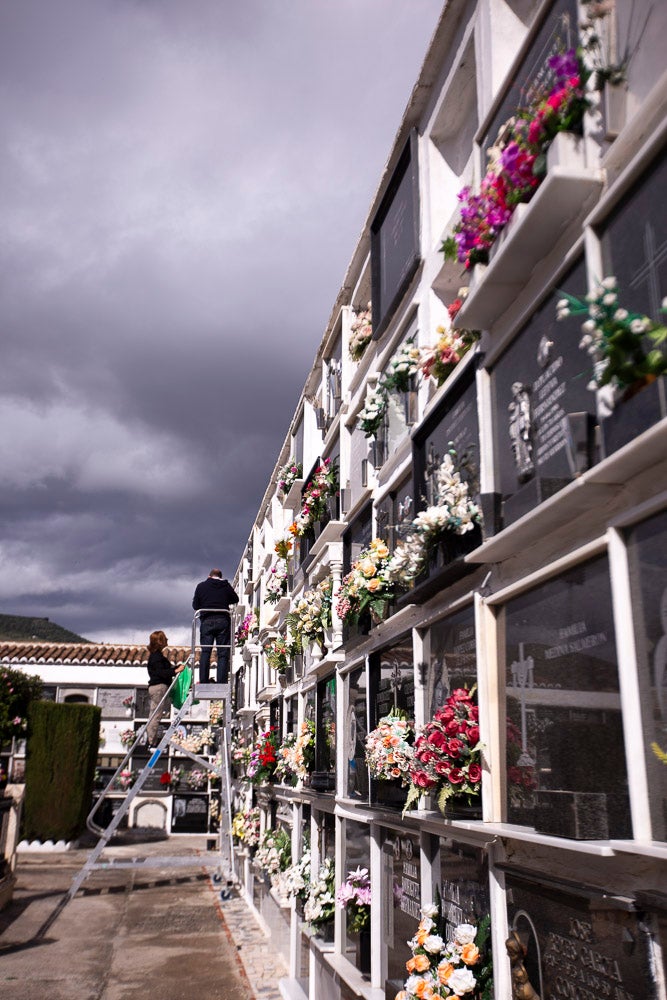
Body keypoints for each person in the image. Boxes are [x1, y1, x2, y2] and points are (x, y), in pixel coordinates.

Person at [192, 569, 239, 684]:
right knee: (222, 652)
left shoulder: (201, 586)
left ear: (209, 576)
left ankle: (203, 680)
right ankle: (221, 681)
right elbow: (235, 599)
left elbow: (195, 605)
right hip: (223, 620)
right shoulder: (225, 585)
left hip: (207, 620)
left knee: (206, 651)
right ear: (220, 576)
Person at [145, 630, 183, 748]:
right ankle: (151, 741)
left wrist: (176, 668)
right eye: (165, 638)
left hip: (157, 687)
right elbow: (161, 672)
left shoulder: (157, 656)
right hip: (158, 687)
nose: (167, 640)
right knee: (156, 714)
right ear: (160, 641)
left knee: (155, 713)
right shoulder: (156, 657)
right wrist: (175, 671)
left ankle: (151, 739)